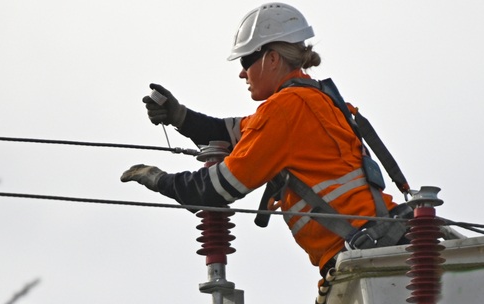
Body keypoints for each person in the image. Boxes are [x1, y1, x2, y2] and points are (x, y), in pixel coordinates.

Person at [120, 3, 402, 278]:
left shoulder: (285, 108)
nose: (242, 72)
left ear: (272, 58)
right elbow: (231, 133)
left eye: (245, 60)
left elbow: (214, 190)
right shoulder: (314, 99)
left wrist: (157, 179)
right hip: (378, 241)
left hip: (367, 254)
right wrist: (180, 116)